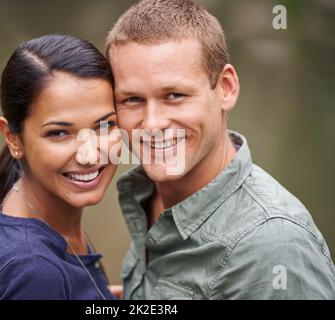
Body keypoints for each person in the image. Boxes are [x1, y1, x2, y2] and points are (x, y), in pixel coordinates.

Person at [106, 0, 335, 299]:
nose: (151, 124)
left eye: (174, 95)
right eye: (132, 100)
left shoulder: (272, 248)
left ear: (226, 87)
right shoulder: (149, 194)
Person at [0, 34, 119, 300]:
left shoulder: (26, 203)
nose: (90, 154)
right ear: (13, 138)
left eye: (105, 125)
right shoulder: (35, 272)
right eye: (59, 133)